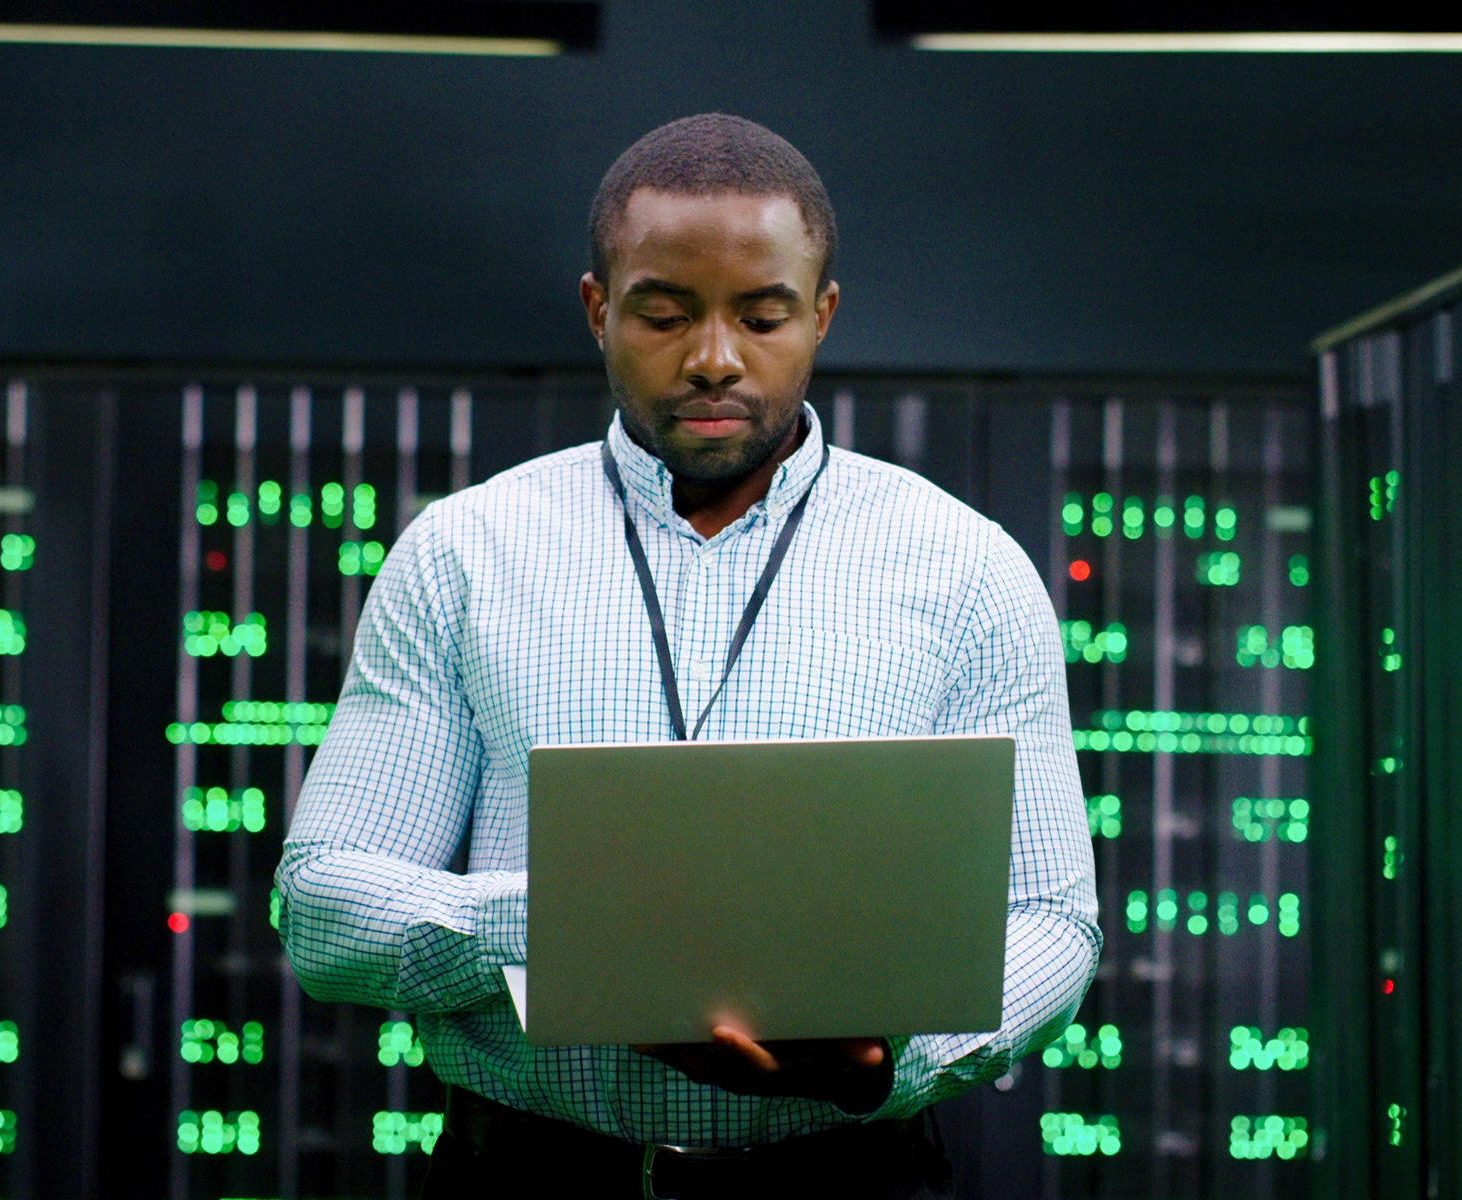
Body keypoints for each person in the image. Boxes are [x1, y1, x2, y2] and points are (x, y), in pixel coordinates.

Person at [277, 113, 1100, 1199]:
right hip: (530, 1176)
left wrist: (893, 1064)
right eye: (662, 314)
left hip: (843, 1175)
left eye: (762, 316)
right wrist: (564, 922)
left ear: (822, 315)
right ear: (596, 310)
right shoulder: (463, 554)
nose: (713, 358)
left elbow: (1052, 920)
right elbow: (323, 907)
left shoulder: (963, 569)